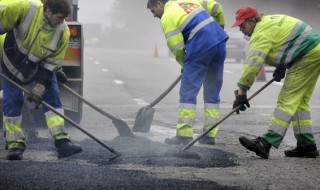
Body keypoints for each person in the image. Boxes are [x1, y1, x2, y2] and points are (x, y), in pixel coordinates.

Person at [232, 6, 320, 159]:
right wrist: (281, 65)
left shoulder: (260, 33)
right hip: (313, 50)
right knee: (299, 102)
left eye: (242, 25)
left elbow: (253, 64)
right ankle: (307, 146)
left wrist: (242, 91)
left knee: (287, 100)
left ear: (252, 21)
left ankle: (266, 142)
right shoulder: (268, 22)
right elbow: (284, 41)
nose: (240, 29)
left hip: (306, 54)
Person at [0, 0, 82, 160]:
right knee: (12, 102)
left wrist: (40, 88)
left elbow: (50, 65)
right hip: (10, 61)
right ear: (48, 11)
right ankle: (15, 145)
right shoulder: (24, 9)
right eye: (59, 17)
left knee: (53, 97)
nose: (62, 21)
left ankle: (62, 142)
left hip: (38, 66)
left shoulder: (63, 31)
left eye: (64, 18)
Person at [147, 0, 228, 145]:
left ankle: (184, 135)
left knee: (188, 92)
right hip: (219, 41)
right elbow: (218, 8)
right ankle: (209, 135)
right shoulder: (188, 1)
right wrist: (219, 29)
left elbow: (176, 46)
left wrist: (185, 64)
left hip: (200, 45)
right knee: (212, 91)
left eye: (153, 11)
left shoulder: (168, 16)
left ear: (160, 4)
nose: (153, 15)